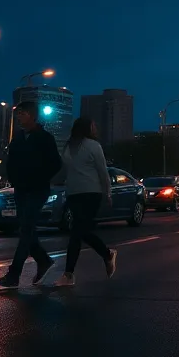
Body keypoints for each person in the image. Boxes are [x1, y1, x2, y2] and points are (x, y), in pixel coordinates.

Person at [0, 101, 62, 290]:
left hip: (38, 190)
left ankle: (14, 274)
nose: (19, 117)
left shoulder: (45, 138)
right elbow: (11, 162)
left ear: (32, 115)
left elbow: (56, 163)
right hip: (21, 189)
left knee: (25, 230)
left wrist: (40, 177)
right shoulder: (18, 138)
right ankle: (43, 261)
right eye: (18, 114)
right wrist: (14, 179)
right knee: (26, 229)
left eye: (22, 114)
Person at [53, 117, 116, 287]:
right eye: (93, 125)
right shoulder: (68, 146)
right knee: (81, 231)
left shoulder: (94, 146)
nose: (95, 129)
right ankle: (107, 254)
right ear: (85, 127)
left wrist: (108, 192)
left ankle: (68, 274)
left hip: (91, 193)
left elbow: (103, 171)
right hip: (73, 193)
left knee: (77, 231)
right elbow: (64, 170)